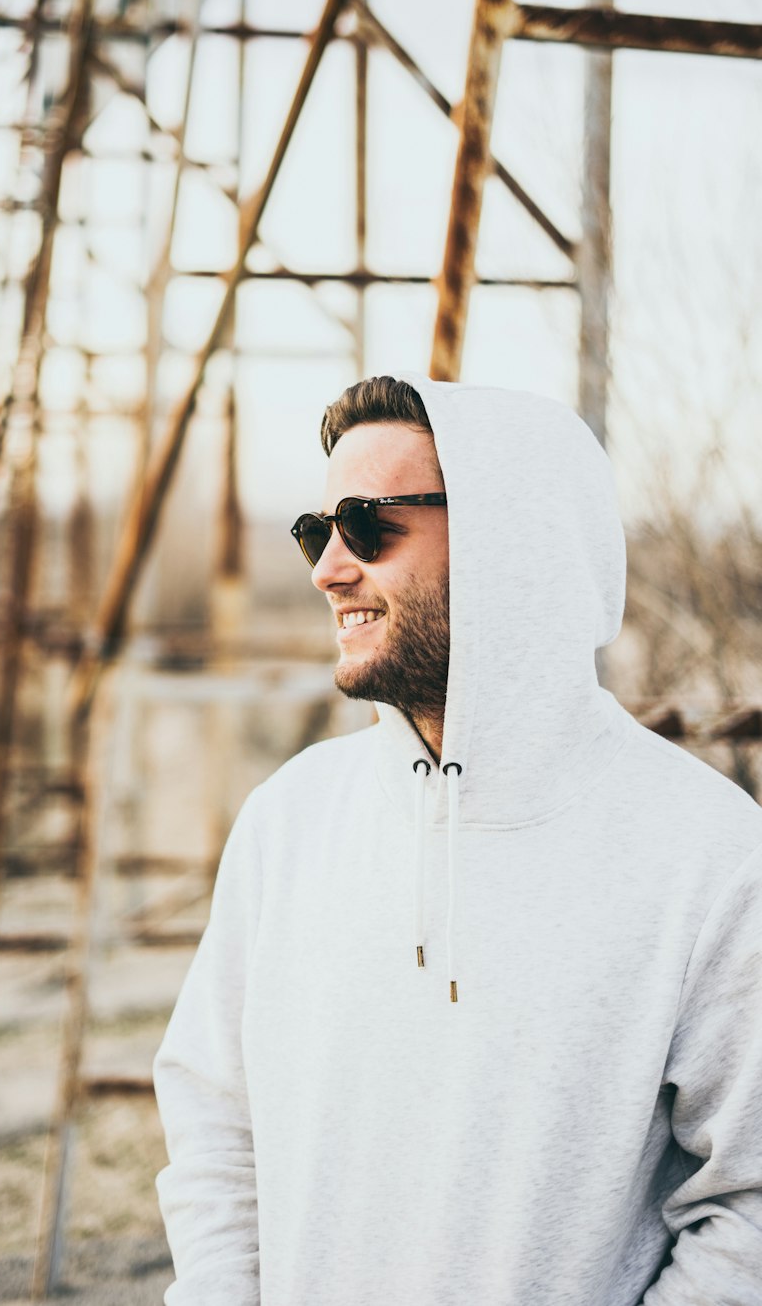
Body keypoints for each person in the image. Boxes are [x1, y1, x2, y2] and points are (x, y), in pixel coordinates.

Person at [152, 373, 762, 1305]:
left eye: (367, 526)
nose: (326, 569)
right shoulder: (289, 821)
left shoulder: (710, 855)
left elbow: (748, 1208)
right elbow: (214, 1132)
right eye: (317, 532)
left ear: (511, 538)